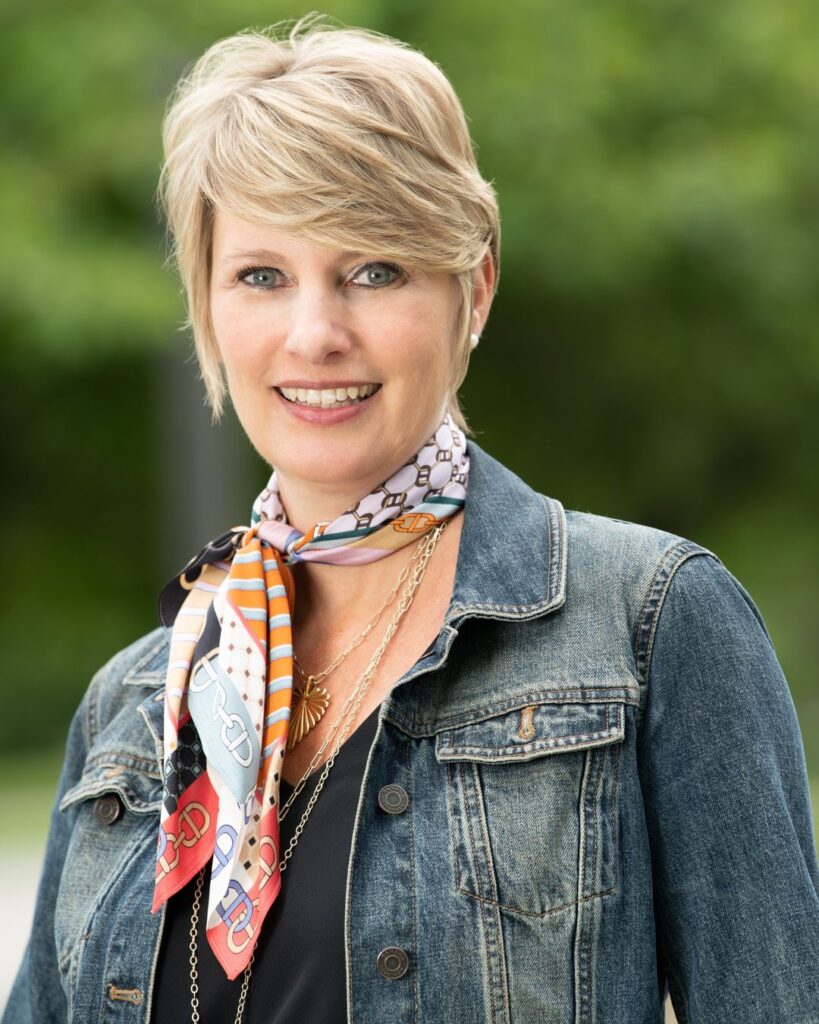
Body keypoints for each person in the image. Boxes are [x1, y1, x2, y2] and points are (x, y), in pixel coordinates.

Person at [4, 14, 818, 1024]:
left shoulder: (650, 624)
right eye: (262, 275)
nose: (315, 333)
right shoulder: (137, 703)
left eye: (373, 270)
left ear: (471, 289)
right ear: (208, 307)